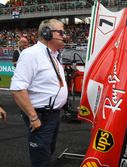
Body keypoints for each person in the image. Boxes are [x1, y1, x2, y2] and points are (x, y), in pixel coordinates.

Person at [10, 19, 68, 167]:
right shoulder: (31, 54)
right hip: (40, 116)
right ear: (46, 33)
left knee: (47, 153)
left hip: (53, 115)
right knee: (41, 159)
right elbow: (17, 89)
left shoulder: (53, 55)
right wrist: (33, 117)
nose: (64, 36)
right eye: (61, 32)